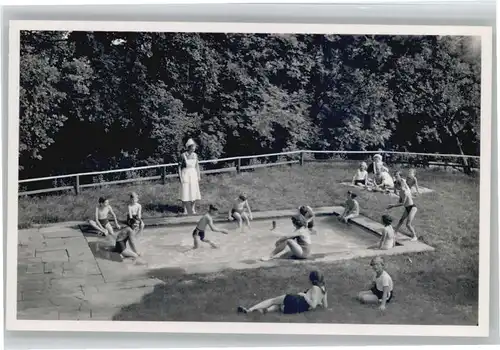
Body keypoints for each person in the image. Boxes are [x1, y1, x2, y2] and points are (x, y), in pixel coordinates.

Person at [237, 270, 328, 314]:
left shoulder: (315, 288)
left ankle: (249, 310)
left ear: (311, 280)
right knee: (278, 306)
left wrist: (304, 295)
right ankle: (265, 311)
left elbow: (313, 304)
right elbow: (325, 306)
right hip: (299, 308)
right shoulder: (324, 290)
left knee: (273, 301)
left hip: (297, 300)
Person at [387, 177, 418, 242]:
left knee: (408, 224)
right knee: (401, 220)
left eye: (395, 186)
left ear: (399, 185)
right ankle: (395, 232)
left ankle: (415, 236)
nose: (395, 187)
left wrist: (392, 206)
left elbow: (403, 203)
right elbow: (400, 201)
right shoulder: (401, 192)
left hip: (412, 208)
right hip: (407, 208)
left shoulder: (405, 192)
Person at [178, 138, 201, 215]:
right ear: (189, 147)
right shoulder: (183, 155)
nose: (194, 148)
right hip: (185, 174)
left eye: (195, 146)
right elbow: (179, 167)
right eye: (193, 146)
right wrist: (180, 177)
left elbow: (197, 166)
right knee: (185, 191)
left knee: (194, 191)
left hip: (193, 174)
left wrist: (199, 175)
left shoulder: (195, 155)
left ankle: (192, 209)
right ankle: (185, 210)